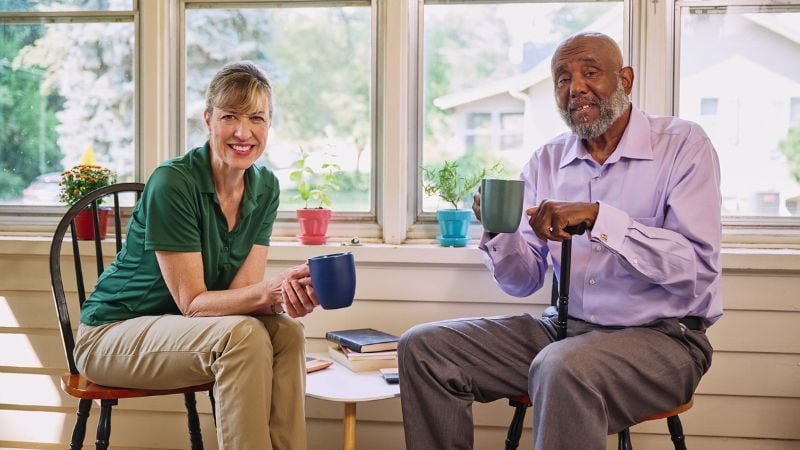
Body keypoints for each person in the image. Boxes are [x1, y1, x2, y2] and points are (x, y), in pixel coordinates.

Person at [398, 32, 721, 450]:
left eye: (590, 73)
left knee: (562, 367)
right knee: (424, 348)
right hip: (564, 332)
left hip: (666, 340)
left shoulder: (682, 145)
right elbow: (522, 281)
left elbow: (692, 270)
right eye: (562, 78)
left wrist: (600, 217)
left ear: (626, 80)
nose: (576, 88)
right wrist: (500, 228)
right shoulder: (547, 160)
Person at [74, 61, 318, 449]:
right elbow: (194, 304)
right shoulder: (173, 182)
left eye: (256, 118)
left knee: (286, 333)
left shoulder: (265, 186)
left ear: (269, 124)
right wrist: (269, 292)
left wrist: (286, 295)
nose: (243, 132)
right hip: (111, 335)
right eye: (229, 117)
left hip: (186, 333)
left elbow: (241, 296)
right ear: (208, 120)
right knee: (243, 337)